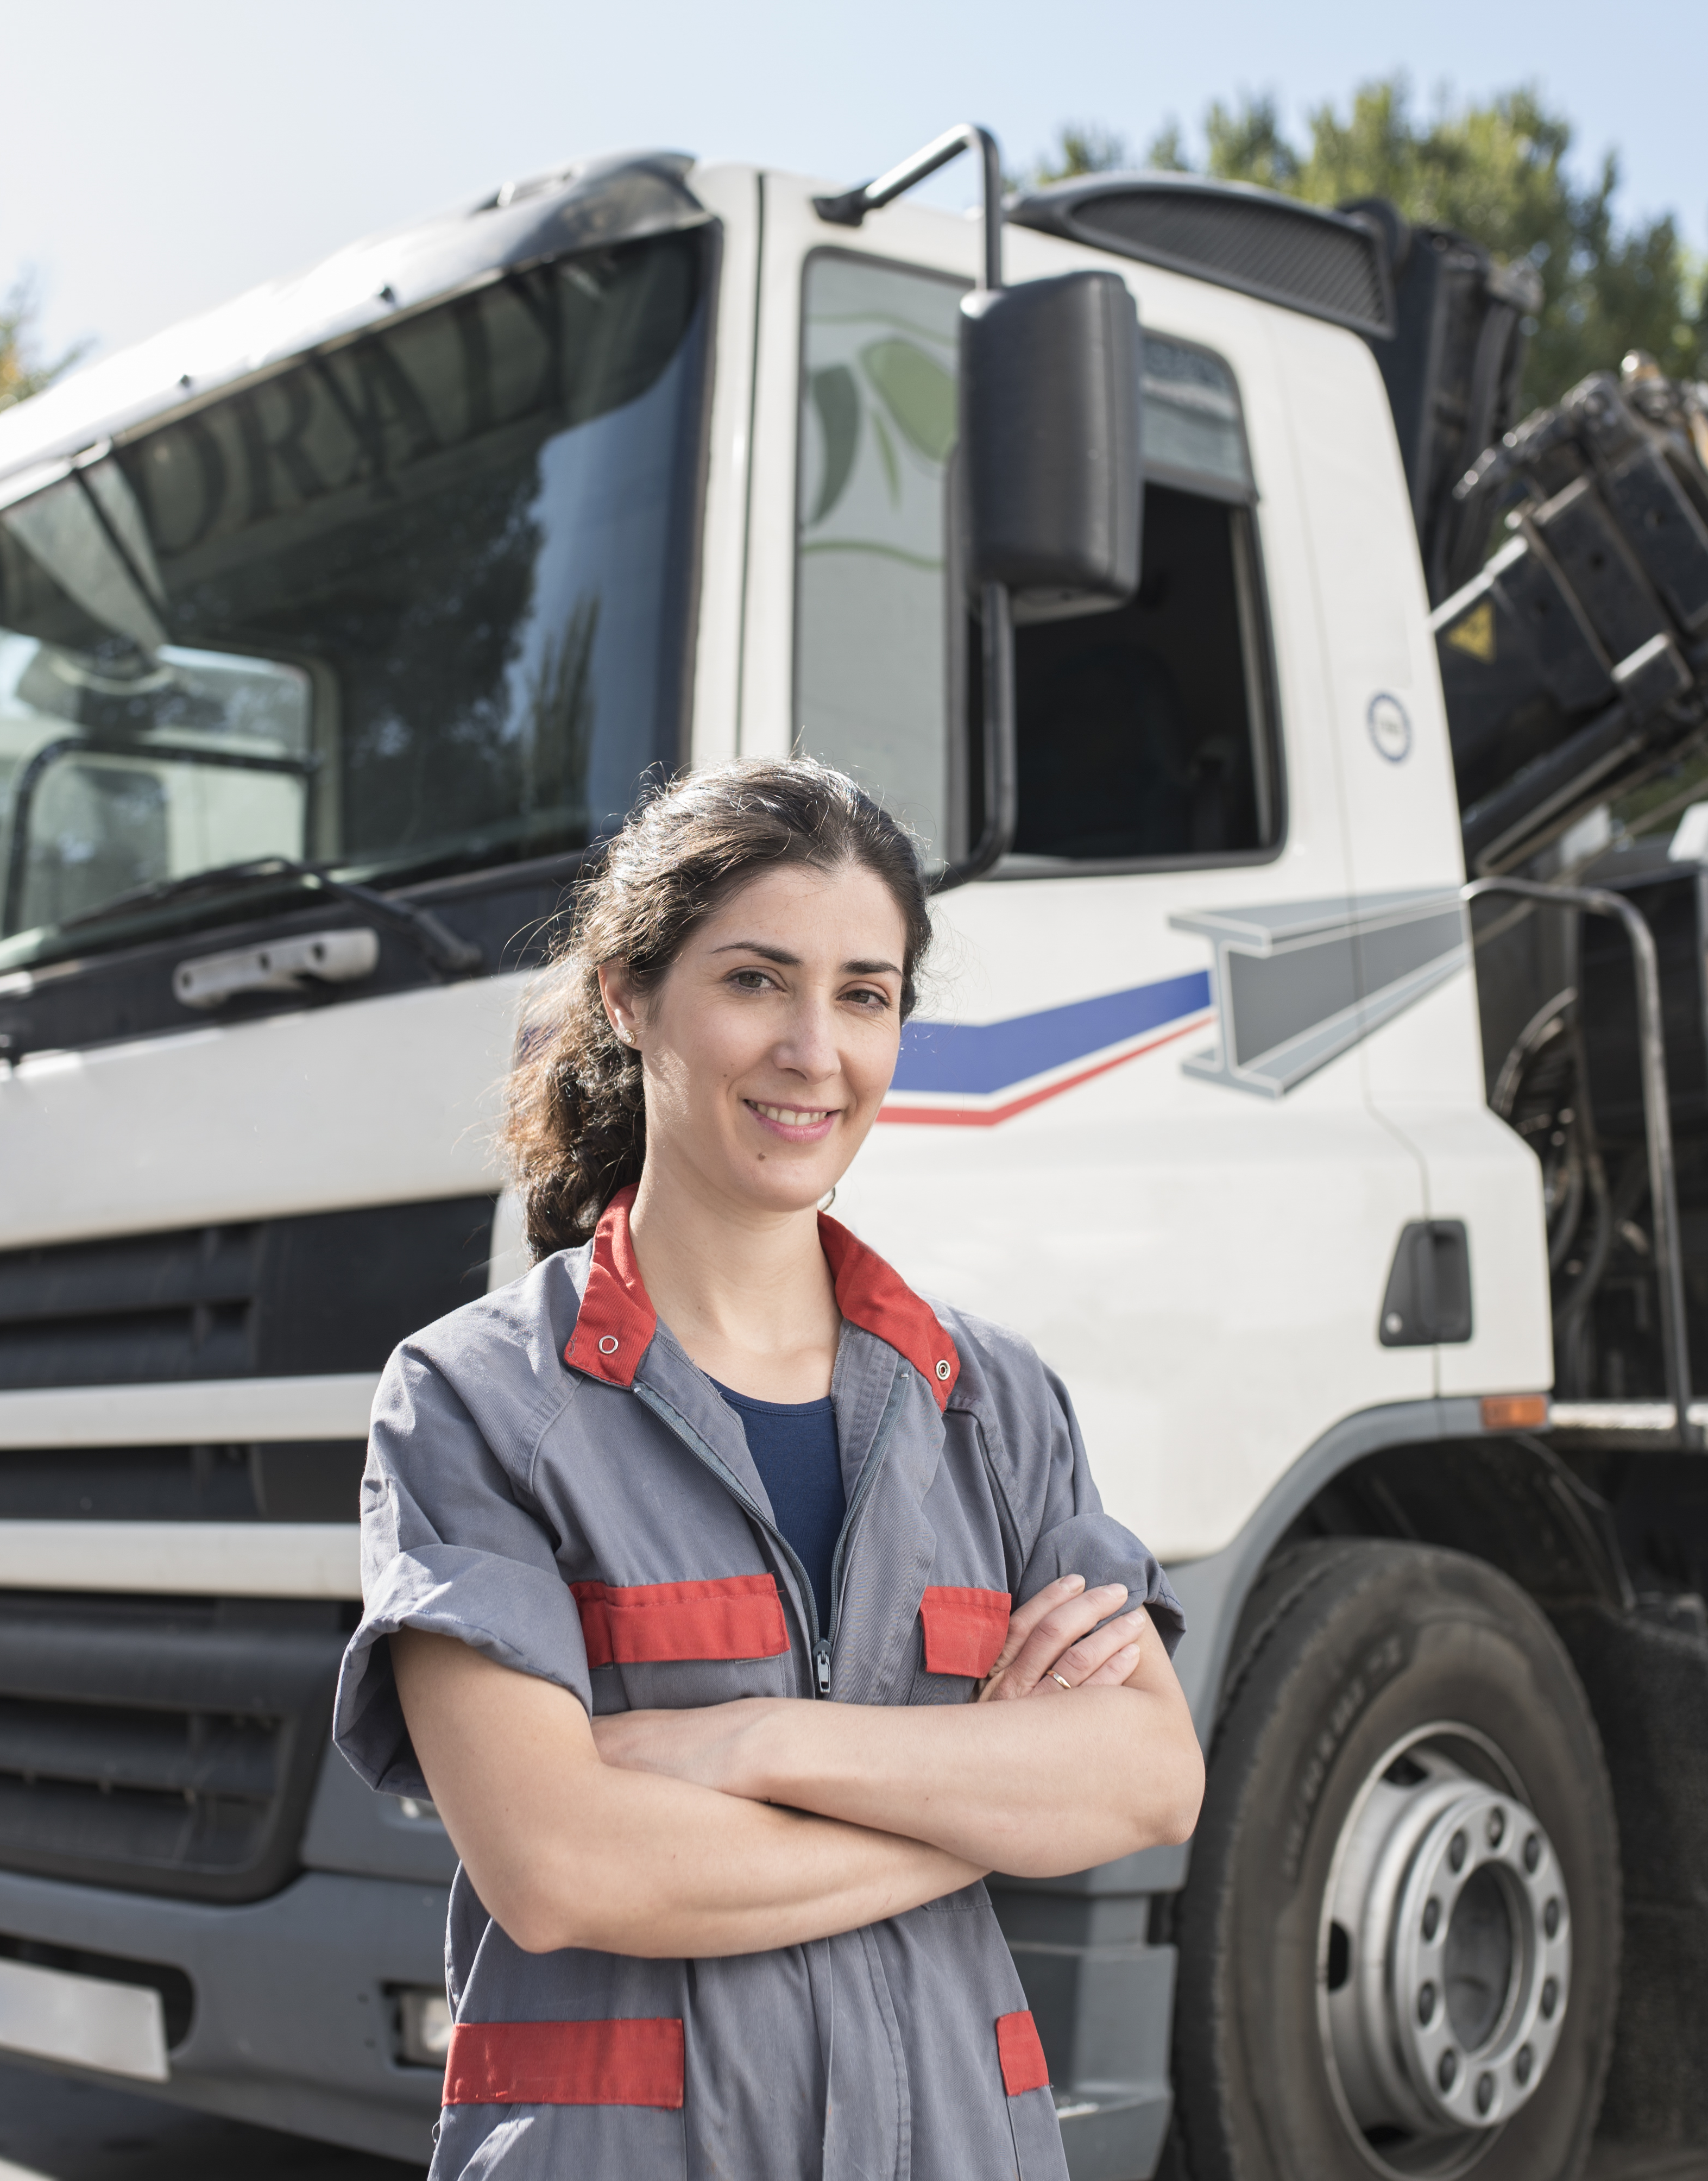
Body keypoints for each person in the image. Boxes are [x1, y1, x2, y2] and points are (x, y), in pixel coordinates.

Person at [333, 757, 1207, 2178]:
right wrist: (981, 1816)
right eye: (755, 981)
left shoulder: (992, 1403)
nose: (815, 1050)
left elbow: (1150, 1779)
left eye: (864, 995)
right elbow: (560, 1869)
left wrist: (755, 1743)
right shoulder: (480, 1401)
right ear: (628, 996)